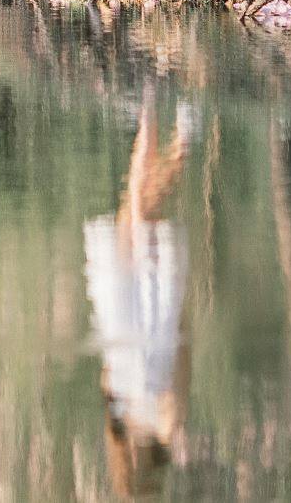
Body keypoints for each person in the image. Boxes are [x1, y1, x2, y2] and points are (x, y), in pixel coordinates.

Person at [84, 85, 194, 497]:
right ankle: (175, 130)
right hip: (152, 322)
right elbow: (179, 376)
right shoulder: (165, 430)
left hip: (121, 317)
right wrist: (182, 321)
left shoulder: (116, 424)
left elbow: (108, 374)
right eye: (137, 470)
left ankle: (152, 111)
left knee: (132, 207)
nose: (130, 460)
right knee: (142, 210)